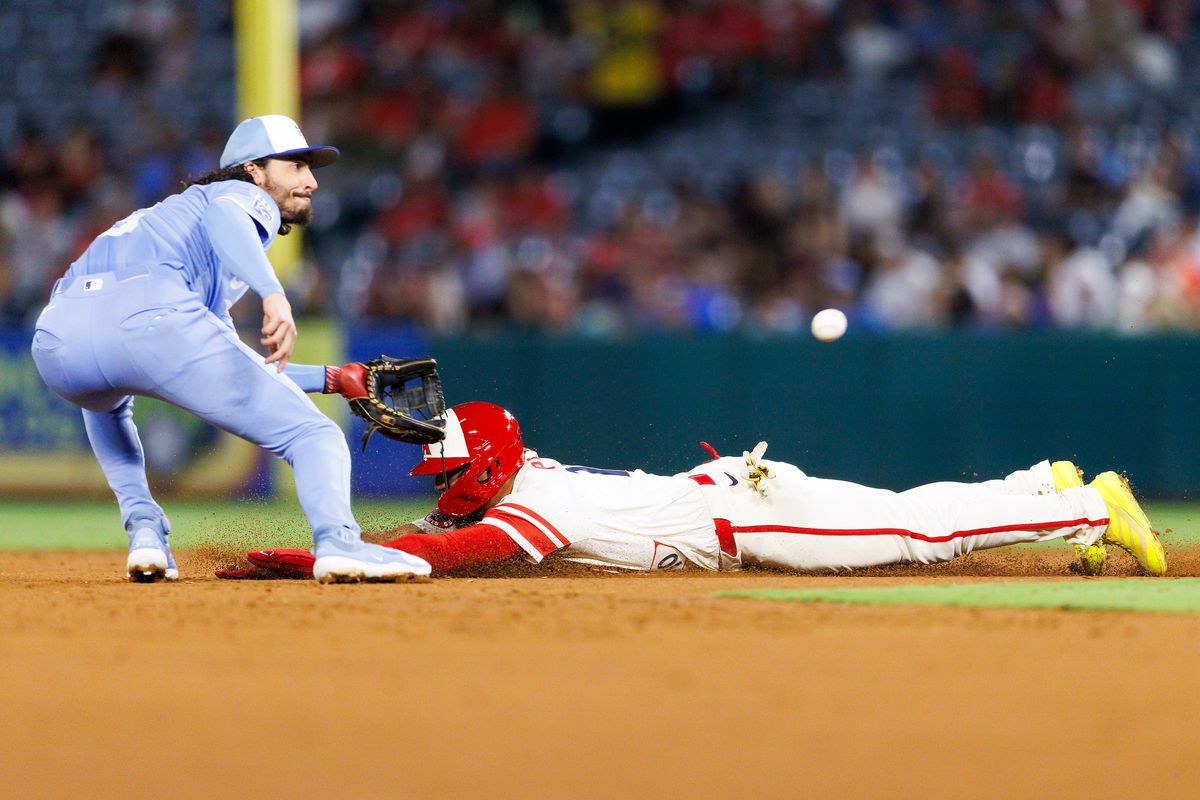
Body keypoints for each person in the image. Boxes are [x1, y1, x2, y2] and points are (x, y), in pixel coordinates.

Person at [30, 115, 430, 584]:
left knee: (106, 402)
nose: (311, 181)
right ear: (254, 170)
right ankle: (340, 543)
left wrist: (332, 377)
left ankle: (144, 529)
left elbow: (229, 361)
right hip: (154, 318)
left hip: (58, 340)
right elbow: (226, 219)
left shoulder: (172, 225)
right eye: (297, 166)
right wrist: (273, 292)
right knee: (313, 436)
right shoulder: (238, 196)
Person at [222, 400, 1167, 580]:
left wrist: (316, 557)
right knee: (912, 512)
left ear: (484, 469)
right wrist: (339, 548)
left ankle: (1091, 505)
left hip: (748, 513)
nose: (440, 486)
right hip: (730, 502)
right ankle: (1040, 485)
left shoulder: (536, 509)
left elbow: (439, 549)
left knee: (922, 534)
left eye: (447, 472)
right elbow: (431, 526)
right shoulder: (517, 483)